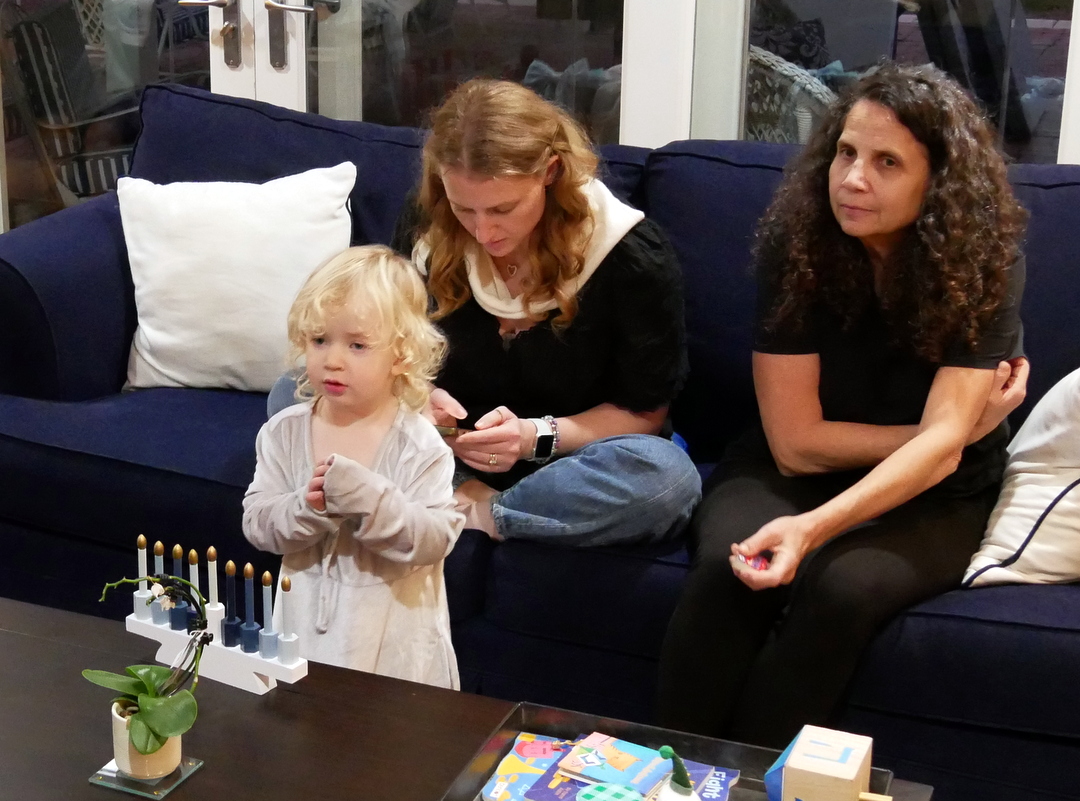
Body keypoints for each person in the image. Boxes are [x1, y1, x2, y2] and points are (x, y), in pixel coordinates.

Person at [655, 63, 1030, 747]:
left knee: (842, 589)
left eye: (887, 162)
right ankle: (666, 775)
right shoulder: (798, 243)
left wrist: (814, 528)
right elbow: (796, 443)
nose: (853, 179)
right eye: (846, 152)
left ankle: (751, 787)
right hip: (793, 467)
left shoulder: (983, 263)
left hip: (936, 495)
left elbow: (941, 458)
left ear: (939, 182)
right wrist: (952, 432)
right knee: (729, 568)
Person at [389, 77, 701, 546]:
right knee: (304, 389)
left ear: (550, 173)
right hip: (445, 451)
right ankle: (470, 500)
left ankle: (481, 512)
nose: (483, 231)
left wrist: (531, 437)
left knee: (667, 477)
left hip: (567, 463)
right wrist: (417, 396)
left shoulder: (628, 255)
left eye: (503, 208)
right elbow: (385, 343)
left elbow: (644, 414)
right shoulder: (428, 225)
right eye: (464, 209)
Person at [244, 245, 463, 688]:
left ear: (401, 355)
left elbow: (435, 538)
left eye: (357, 345)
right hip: (302, 640)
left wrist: (372, 502)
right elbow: (258, 523)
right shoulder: (284, 433)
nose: (333, 359)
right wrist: (306, 508)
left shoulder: (418, 445)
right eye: (319, 340)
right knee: (299, 726)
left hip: (395, 652)